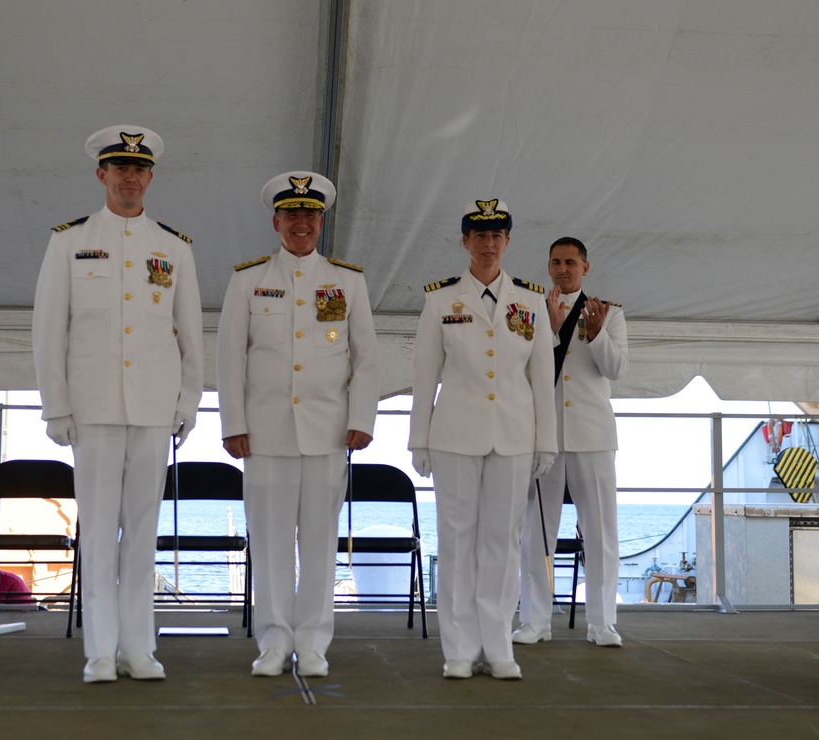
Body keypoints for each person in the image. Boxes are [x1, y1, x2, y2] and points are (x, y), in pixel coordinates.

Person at [32, 125, 203, 683]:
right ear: (101, 174)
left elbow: (189, 334)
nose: (130, 178)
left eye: (139, 170)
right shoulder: (68, 241)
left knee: (143, 534)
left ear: (150, 178)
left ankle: (139, 648)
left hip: (154, 410)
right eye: (119, 168)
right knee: (100, 534)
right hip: (94, 409)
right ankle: (101, 652)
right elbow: (48, 330)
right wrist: (56, 406)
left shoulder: (173, 247)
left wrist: (188, 401)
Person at [216, 171, 379, 678]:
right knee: (267, 543)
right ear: (276, 222)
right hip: (264, 434)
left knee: (319, 544)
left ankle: (312, 643)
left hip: (329, 431)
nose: (301, 223)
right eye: (292, 215)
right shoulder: (248, 280)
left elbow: (367, 358)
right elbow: (229, 358)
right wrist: (232, 423)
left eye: (310, 215)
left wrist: (362, 418)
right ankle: (272, 641)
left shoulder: (348, 281)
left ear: (321, 222)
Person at [408, 199, 557, 680]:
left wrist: (546, 441)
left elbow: (541, 377)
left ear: (508, 241)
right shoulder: (439, 300)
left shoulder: (531, 301)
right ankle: (458, 648)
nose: (488, 243)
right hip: (453, 435)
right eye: (479, 235)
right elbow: (424, 375)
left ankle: (498, 647)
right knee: (455, 541)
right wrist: (418, 439)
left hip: (514, 435)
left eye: (497, 235)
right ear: (465, 241)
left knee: (503, 543)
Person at [514, 236, 629, 648]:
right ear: (548, 267)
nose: (563, 269)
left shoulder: (609, 313)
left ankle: (602, 623)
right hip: (545, 433)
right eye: (556, 262)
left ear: (585, 267)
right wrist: (547, 327)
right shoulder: (529, 311)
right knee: (537, 532)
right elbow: (523, 367)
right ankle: (535, 620)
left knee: (600, 532)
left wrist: (597, 334)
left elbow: (616, 369)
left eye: (571, 262)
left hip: (593, 436)